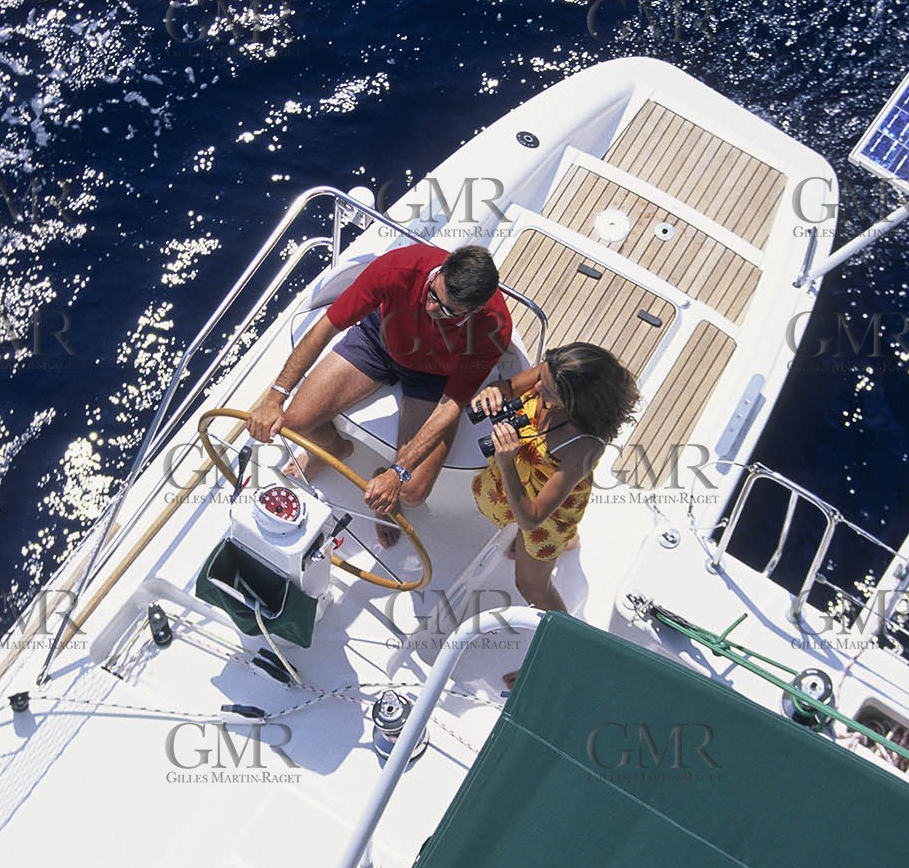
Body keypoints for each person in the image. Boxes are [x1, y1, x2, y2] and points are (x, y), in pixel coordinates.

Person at [246, 242, 512, 544]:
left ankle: (383, 479)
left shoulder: (494, 328)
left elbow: (450, 406)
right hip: (376, 342)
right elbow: (326, 327)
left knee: (412, 493)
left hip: (434, 379)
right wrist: (275, 397)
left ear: (475, 310)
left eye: (448, 310)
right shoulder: (401, 266)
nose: (431, 307)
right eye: (433, 293)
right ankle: (334, 449)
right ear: (443, 268)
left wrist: (398, 472)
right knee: (292, 424)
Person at [471, 343, 639, 637]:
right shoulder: (554, 372)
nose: (536, 386)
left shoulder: (585, 445)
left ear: (576, 401)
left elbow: (532, 519)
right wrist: (494, 391)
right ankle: (567, 543)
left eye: (547, 389)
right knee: (530, 545)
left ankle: (566, 641)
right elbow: (509, 386)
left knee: (531, 585)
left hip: (546, 513)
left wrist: (507, 462)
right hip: (518, 483)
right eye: (541, 378)